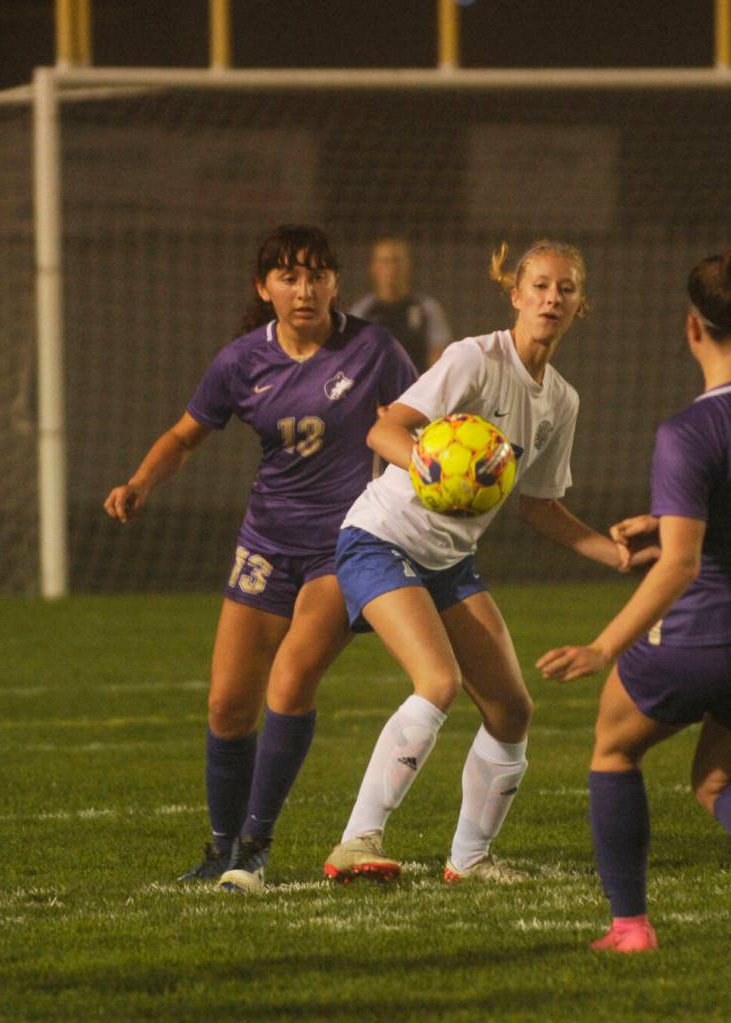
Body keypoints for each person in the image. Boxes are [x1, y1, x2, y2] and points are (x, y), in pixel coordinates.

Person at [104, 224, 417, 892]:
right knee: (226, 706)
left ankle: (255, 845)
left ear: (336, 281)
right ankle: (221, 848)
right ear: (263, 286)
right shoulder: (242, 360)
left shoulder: (374, 349)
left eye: (318, 275)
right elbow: (185, 436)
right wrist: (138, 483)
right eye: (288, 276)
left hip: (346, 544)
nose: (304, 290)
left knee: (291, 681)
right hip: (265, 546)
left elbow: (420, 420)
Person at [537, 249, 731, 954]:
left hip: (702, 631)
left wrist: (603, 645)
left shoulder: (687, 431)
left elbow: (680, 566)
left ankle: (630, 925)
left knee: (613, 749)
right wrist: (668, 517)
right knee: (724, 777)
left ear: (691, 328)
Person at [324, 239, 643, 885]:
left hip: (448, 560)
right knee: (436, 682)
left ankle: (468, 861)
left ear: (580, 305)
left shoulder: (561, 401)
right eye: (542, 286)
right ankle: (356, 842)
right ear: (517, 294)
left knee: (510, 707)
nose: (553, 297)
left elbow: (540, 507)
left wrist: (616, 555)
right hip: (380, 536)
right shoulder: (475, 356)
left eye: (568, 288)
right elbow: (384, 428)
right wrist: (436, 465)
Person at [349, 235, 452, 371]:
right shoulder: (361, 312)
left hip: (418, 389)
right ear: (373, 267)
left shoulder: (427, 309)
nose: (391, 268)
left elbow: (439, 362)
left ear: (408, 265)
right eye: (384, 261)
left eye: (396, 261)